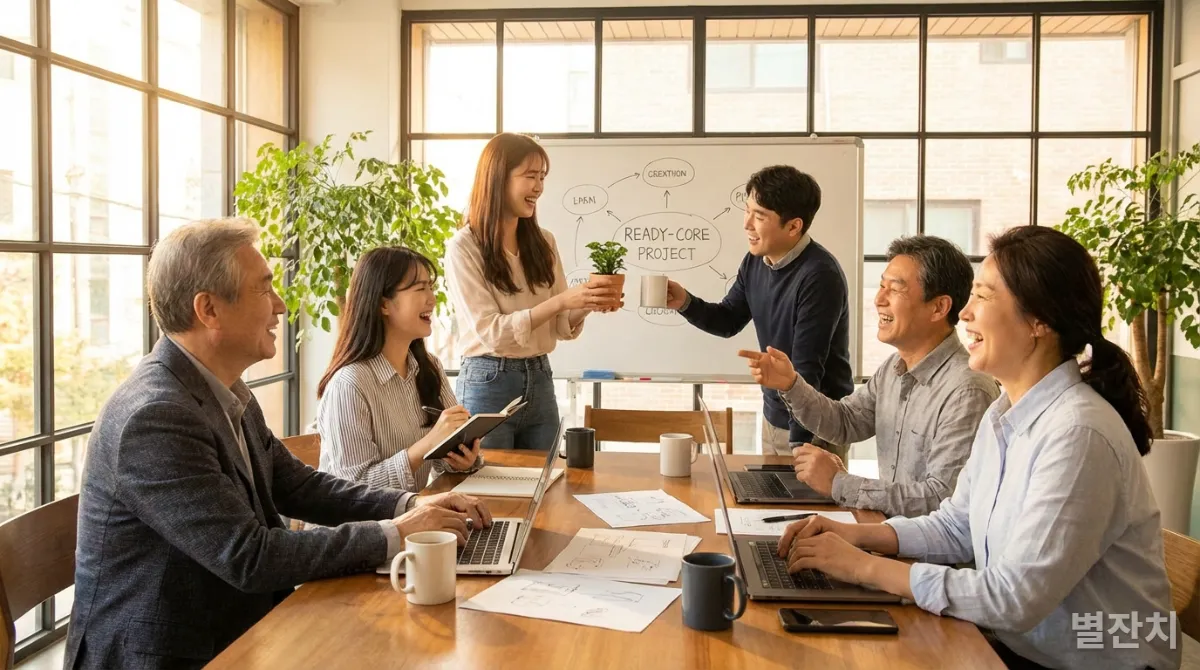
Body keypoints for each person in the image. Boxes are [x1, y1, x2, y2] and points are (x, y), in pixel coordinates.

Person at [65, 219, 492, 670]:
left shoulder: (224, 389)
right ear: (208, 310)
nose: (281, 306)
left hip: (238, 628)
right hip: (173, 654)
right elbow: (249, 556)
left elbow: (301, 487)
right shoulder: (155, 417)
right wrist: (399, 531)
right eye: (263, 290)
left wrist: (410, 505)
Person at [776, 226, 1178, 670]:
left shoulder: (1078, 434)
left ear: (1038, 320)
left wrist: (863, 568)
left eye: (983, 297)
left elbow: (1013, 599)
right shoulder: (1004, 414)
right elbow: (956, 526)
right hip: (1019, 645)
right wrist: (855, 535)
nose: (965, 313)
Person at [739, 236, 998, 517]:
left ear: (939, 307)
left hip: (923, 556)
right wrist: (790, 384)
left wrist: (840, 483)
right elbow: (844, 422)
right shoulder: (893, 368)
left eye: (895, 290)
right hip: (889, 537)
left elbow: (940, 499)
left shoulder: (968, 390)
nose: (878, 299)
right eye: (881, 286)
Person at [445, 132, 621, 450]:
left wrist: (587, 301)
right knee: (492, 490)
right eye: (530, 176)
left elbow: (560, 324)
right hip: (489, 382)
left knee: (545, 486)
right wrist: (560, 301)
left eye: (542, 177)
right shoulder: (464, 247)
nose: (538, 187)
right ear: (498, 177)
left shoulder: (544, 242)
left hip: (540, 376)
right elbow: (492, 332)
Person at [666, 165, 853, 458]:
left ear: (793, 226)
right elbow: (728, 319)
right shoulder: (756, 261)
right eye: (747, 210)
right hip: (775, 417)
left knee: (804, 505)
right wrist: (684, 302)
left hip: (815, 430)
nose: (747, 224)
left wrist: (799, 445)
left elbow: (807, 369)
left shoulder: (819, 276)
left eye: (760, 216)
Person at [316, 246, 484, 492]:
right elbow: (354, 489)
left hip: (406, 518)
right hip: (355, 528)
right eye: (420, 289)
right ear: (384, 304)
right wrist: (426, 445)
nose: (432, 299)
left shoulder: (430, 367)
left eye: (431, 287)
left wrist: (460, 459)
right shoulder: (349, 384)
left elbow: (441, 459)